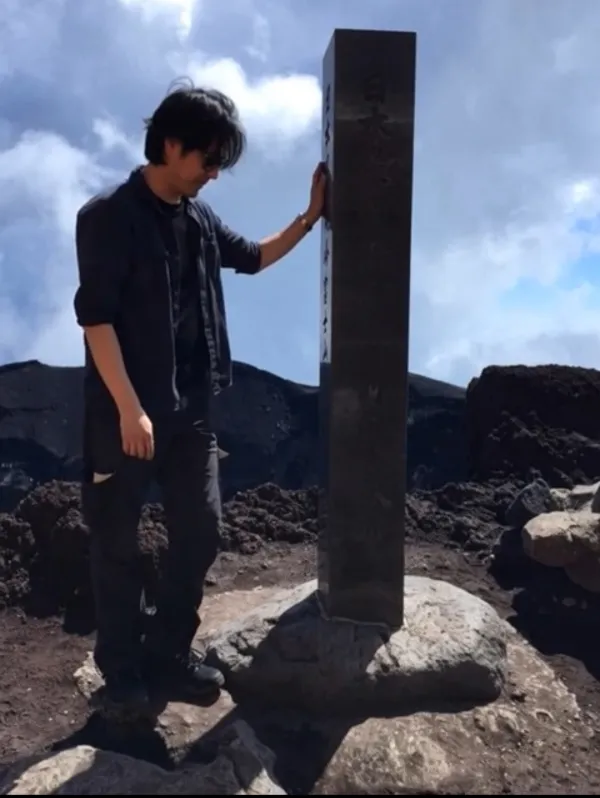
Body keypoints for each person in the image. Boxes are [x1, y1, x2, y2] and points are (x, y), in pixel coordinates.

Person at [73, 81, 326, 715]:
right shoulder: (108, 216)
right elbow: (96, 319)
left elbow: (255, 257)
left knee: (201, 532)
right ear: (170, 144)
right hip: (125, 415)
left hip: (191, 415)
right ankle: (121, 671)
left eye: (220, 162)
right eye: (207, 159)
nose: (214, 174)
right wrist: (130, 408)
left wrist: (310, 216)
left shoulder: (200, 218)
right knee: (117, 542)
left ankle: (168, 654)